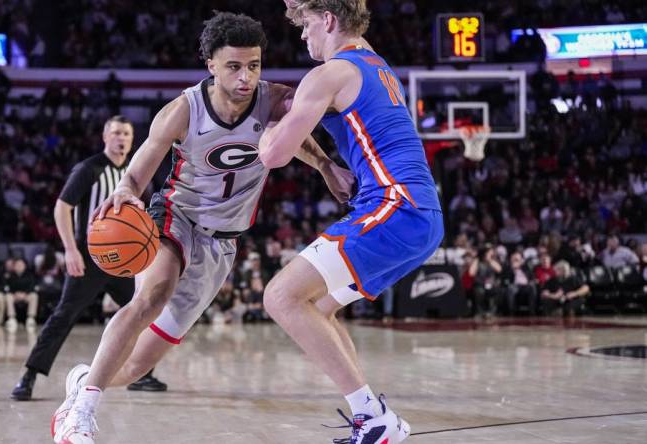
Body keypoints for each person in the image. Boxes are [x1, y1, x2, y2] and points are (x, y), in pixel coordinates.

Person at [52, 12, 353, 443]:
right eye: (234, 66)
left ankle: (83, 380)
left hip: (222, 244)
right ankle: (80, 414)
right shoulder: (183, 109)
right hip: (177, 217)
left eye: (254, 65)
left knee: (137, 366)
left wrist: (325, 166)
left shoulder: (272, 99)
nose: (246, 76)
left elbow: (298, 132)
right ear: (210, 64)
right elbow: (142, 165)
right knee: (150, 297)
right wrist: (125, 188)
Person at [257, 1, 445, 442]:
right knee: (319, 309)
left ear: (328, 20)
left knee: (281, 297)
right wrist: (326, 166)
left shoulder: (330, 74)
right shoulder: (375, 64)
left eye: (305, 24)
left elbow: (274, 155)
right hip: (422, 214)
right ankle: (371, 417)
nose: (303, 36)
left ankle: (374, 416)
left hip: (395, 208)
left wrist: (267, 129)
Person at [10, 116, 167, 401]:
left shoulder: (139, 172)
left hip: (126, 260)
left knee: (143, 311)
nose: (122, 138)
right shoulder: (88, 168)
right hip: (90, 257)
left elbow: (152, 213)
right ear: (105, 136)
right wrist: (70, 249)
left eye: (127, 134)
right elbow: (62, 208)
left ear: (133, 140)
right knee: (64, 315)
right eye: (117, 132)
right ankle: (29, 375)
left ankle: (142, 373)